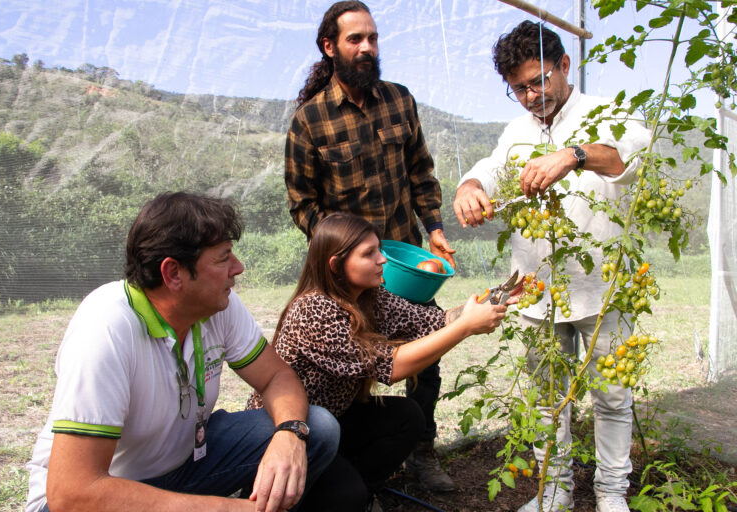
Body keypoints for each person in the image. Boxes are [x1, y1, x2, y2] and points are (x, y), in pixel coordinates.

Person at [25, 192, 339, 512]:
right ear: (173, 273)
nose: (239, 267)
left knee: (318, 428)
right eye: (223, 257)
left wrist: (289, 435)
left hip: (186, 463)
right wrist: (229, 509)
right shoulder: (106, 326)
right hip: (103, 491)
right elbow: (72, 493)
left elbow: (277, 376)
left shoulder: (218, 306)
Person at [452, 21, 651, 512]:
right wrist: (468, 188)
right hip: (538, 293)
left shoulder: (605, 114)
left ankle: (610, 493)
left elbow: (630, 154)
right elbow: (489, 166)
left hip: (601, 289)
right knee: (545, 401)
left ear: (564, 65)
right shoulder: (518, 130)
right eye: (517, 88)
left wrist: (575, 155)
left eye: (538, 81)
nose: (529, 95)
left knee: (611, 396)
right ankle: (555, 490)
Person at [284, 0, 457, 491]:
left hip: (406, 261)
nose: (367, 48)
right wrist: (343, 254)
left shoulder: (400, 100)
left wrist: (436, 227)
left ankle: (421, 451)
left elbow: (422, 172)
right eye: (355, 39)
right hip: (350, 275)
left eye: (373, 38)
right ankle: (357, 463)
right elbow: (302, 203)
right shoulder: (310, 121)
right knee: (357, 368)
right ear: (329, 46)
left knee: (426, 356)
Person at [247, 212, 511, 511]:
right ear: (336, 265)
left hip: (335, 418)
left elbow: (431, 320)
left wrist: (488, 302)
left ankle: (349, 485)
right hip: (291, 431)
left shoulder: (370, 296)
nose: (382, 260)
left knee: (407, 417)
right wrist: (465, 328)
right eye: (369, 253)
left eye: (379, 250)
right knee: (347, 495)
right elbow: (391, 366)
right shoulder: (314, 311)